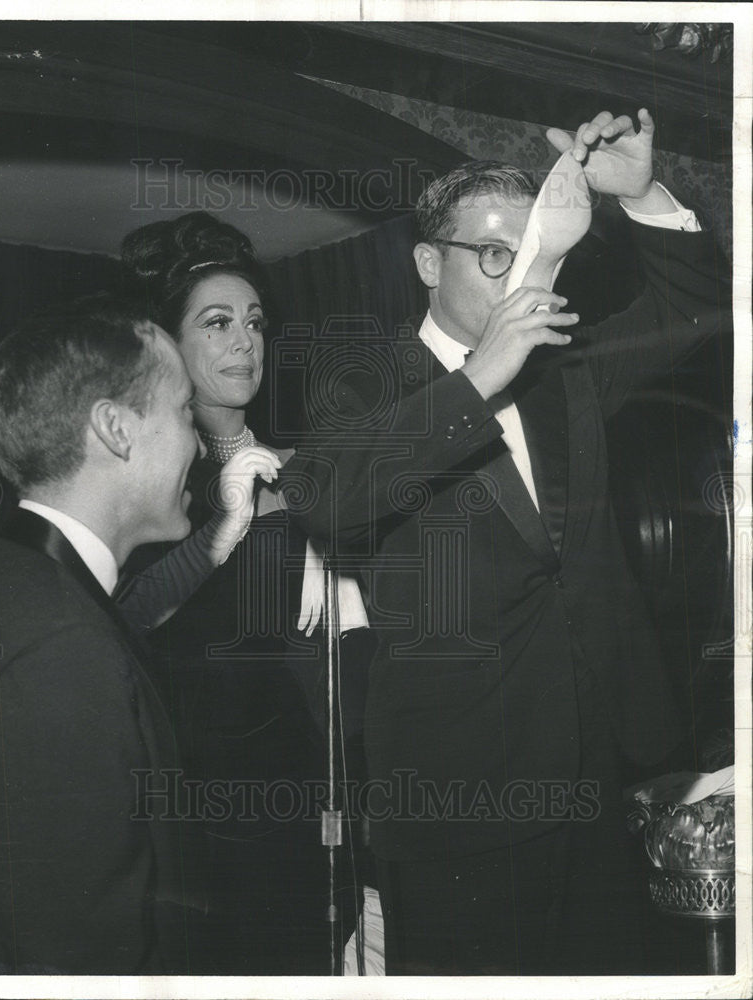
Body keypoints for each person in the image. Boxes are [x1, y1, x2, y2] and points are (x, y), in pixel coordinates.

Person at [282, 109, 730, 974]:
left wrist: (642, 196)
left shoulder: (570, 368)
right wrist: (481, 372)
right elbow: (330, 503)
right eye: (494, 255)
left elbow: (703, 312)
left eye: (534, 252)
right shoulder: (360, 386)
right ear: (426, 263)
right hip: (464, 802)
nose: (522, 274)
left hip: (609, 777)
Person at [0, 293, 279, 974]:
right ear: (116, 429)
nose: (200, 443)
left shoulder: (19, 584)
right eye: (182, 413)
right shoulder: (60, 650)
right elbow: (80, 956)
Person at [115, 214, 359, 974]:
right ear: (170, 346)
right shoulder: (155, 487)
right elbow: (125, 618)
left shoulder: (305, 461)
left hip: (314, 769)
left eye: (252, 322)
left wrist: (334, 549)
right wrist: (228, 525)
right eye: (216, 323)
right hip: (204, 788)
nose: (243, 342)